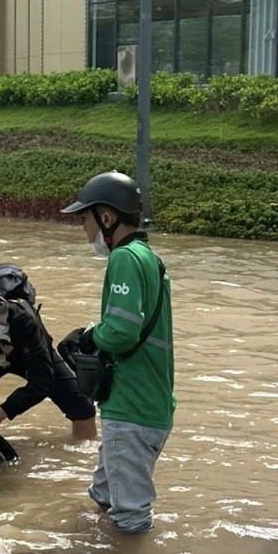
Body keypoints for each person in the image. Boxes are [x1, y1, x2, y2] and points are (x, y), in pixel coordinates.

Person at [61, 171, 174, 534]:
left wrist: (90, 337)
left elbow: (123, 332)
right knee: (103, 498)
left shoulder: (125, 258)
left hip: (132, 408)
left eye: (85, 218)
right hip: (143, 404)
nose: (84, 229)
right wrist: (94, 333)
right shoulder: (149, 258)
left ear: (106, 218)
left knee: (129, 519)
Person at [0, 274, 97, 448]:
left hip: (24, 356)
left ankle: (83, 454)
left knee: (82, 407)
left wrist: (3, 412)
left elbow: (43, 381)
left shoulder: (23, 323)